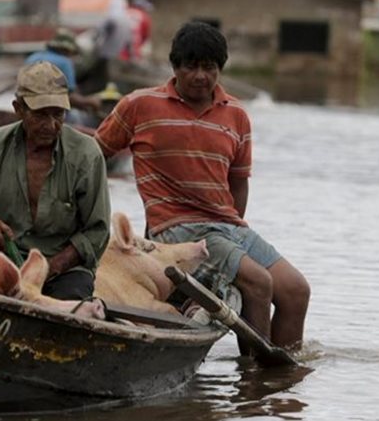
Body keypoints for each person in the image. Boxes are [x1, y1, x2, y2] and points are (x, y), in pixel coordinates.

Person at [94, 21, 310, 350]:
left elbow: (238, 182)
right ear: (175, 67)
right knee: (258, 283)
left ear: (219, 70)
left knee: (296, 290)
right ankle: (255, 381)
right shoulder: (140, 106)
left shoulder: (236, 114)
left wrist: (234, 239)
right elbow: (95, 154)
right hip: (177, 229)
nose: (200, 76)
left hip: (227, 226)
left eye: (209, 68)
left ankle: (283, 373)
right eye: (191, 66)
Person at [0, 61, 111, 300]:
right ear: (19, 109)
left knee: (73, 301)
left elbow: (97, 232)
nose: (51, 125)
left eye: (58, 114)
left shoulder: (86, 154)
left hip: (62, 269)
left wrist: (46, 269)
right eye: (40, 115)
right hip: (4, 260)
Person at [25, 28, 101, 115]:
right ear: (67, 50)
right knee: (76, 116)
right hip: (49, 113)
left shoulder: (32, 58)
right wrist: (89, 101)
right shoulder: (64, 63)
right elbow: (69, 97)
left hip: (28, 110)